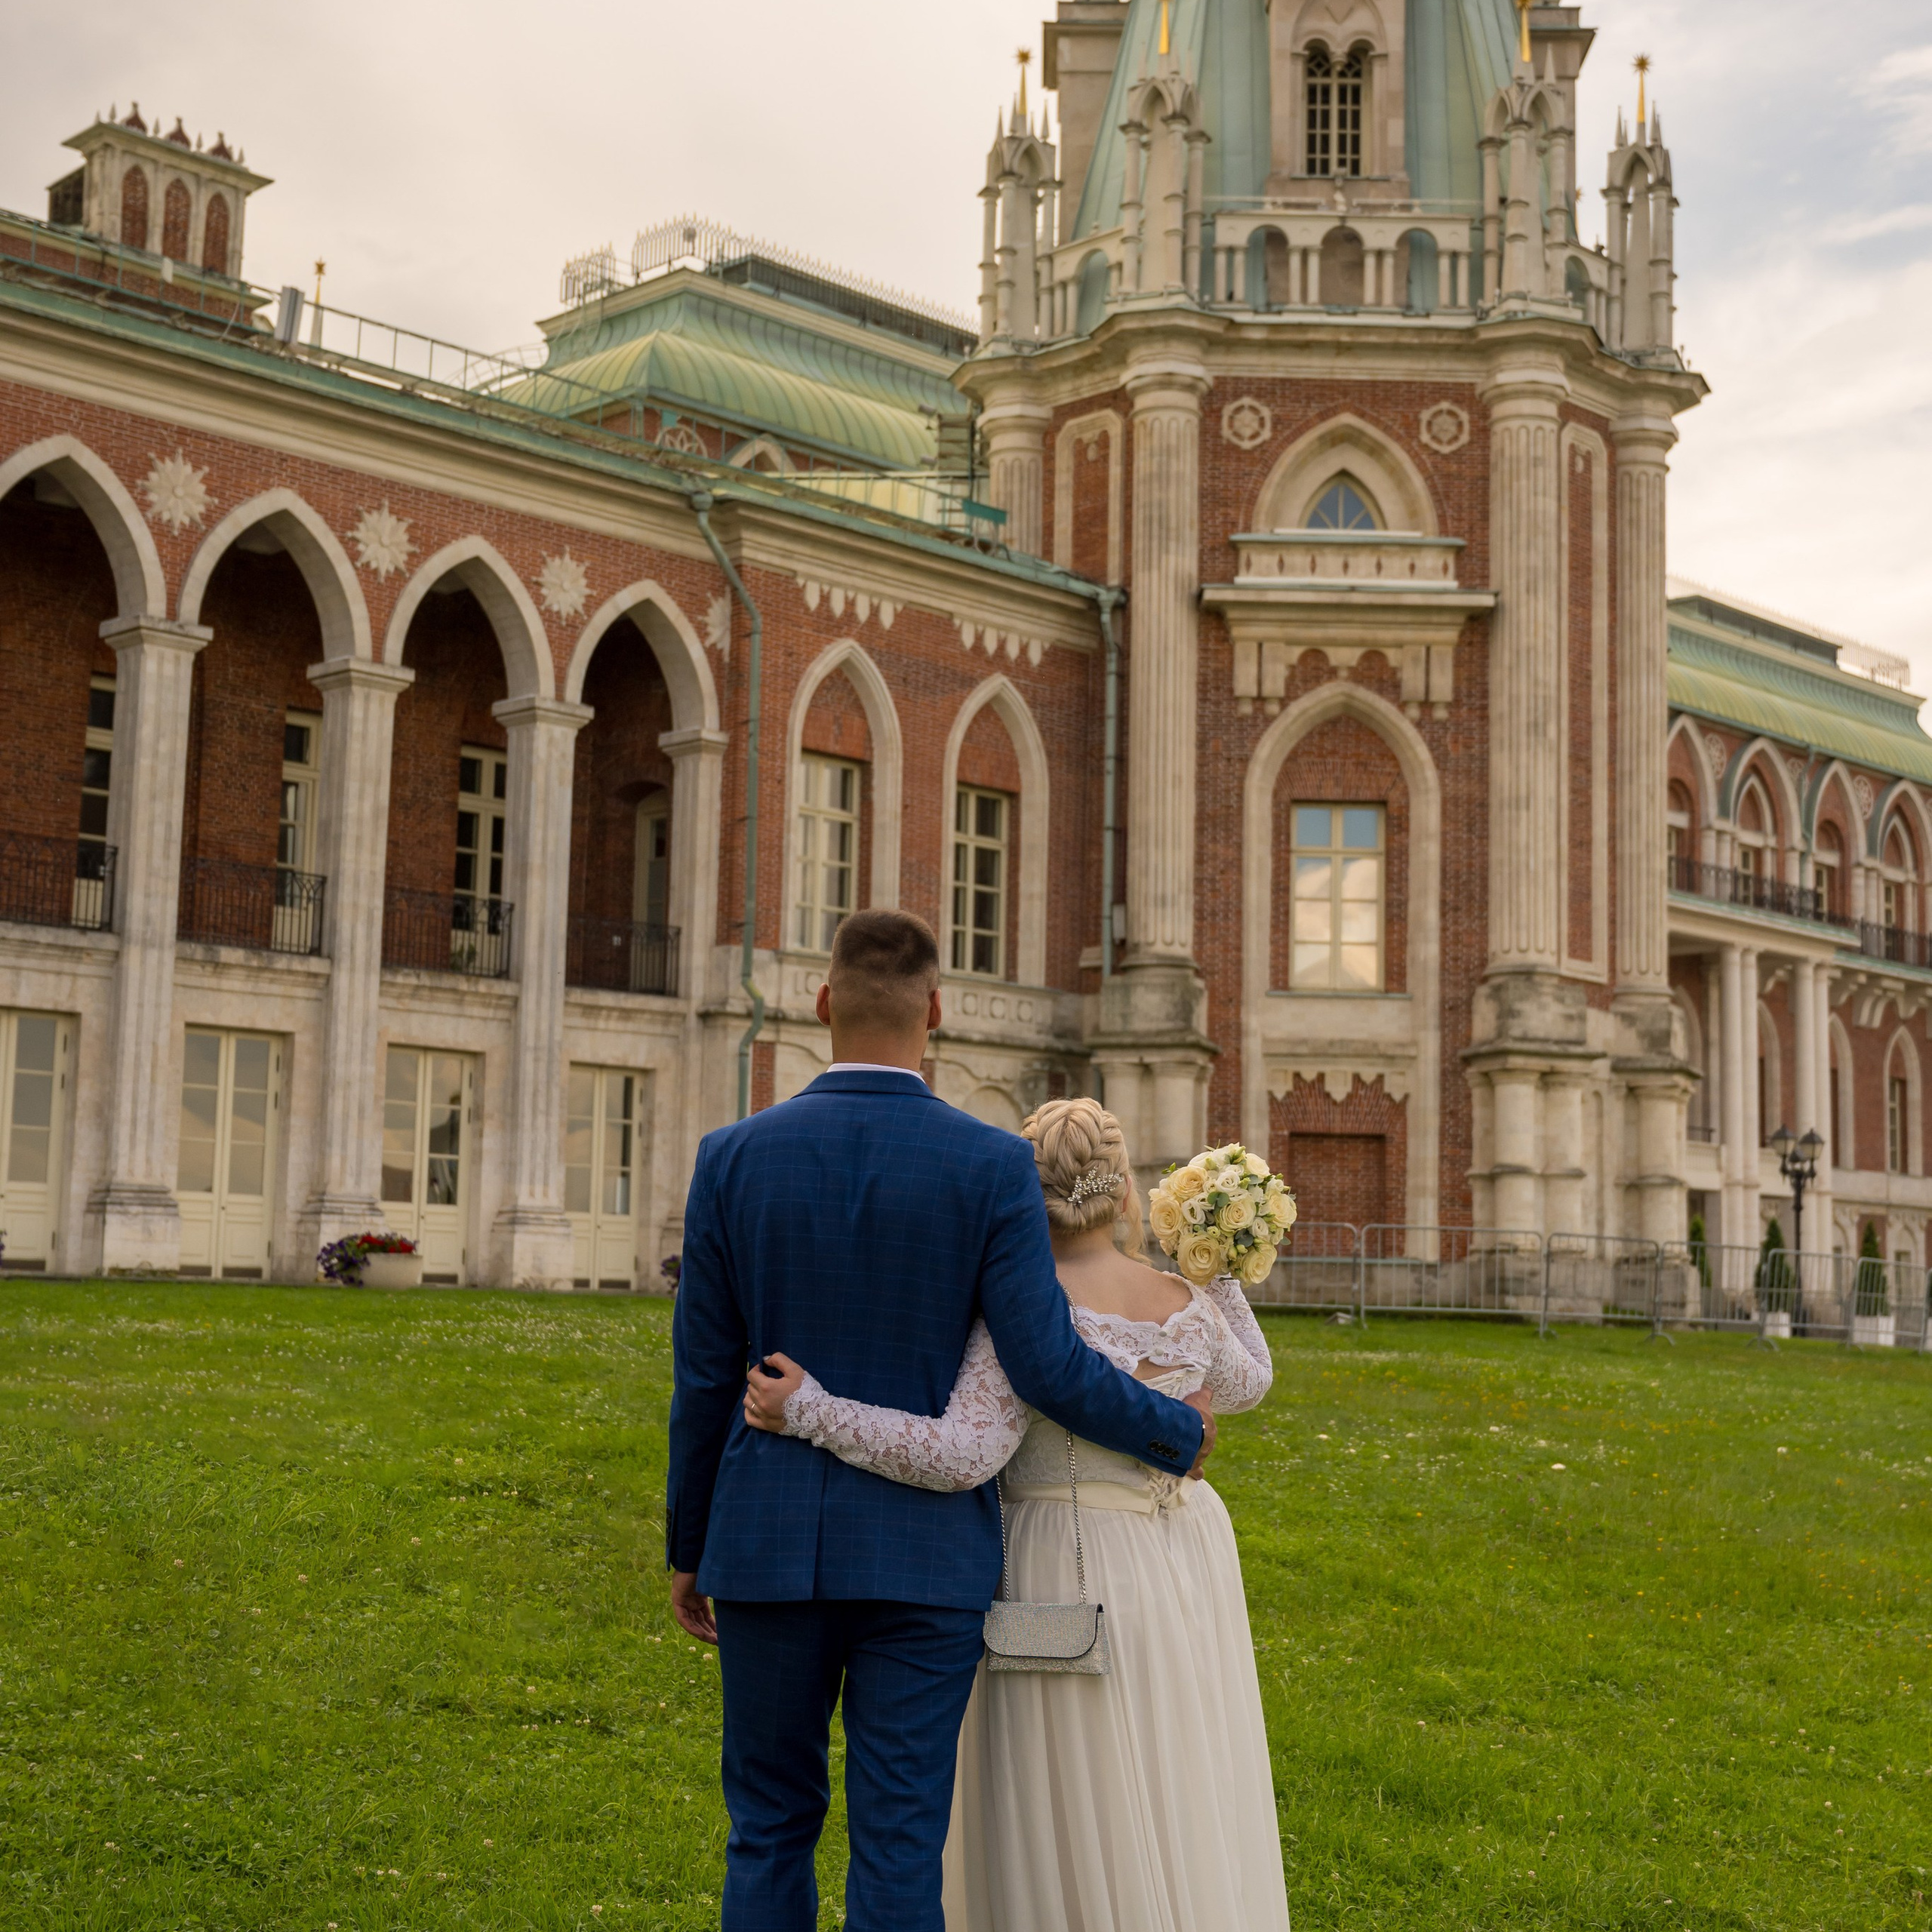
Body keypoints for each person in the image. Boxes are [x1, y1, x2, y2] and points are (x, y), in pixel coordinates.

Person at [666, 910, 1214, 1932]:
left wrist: (689, 1544)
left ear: (822, 1003)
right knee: (902, 1837)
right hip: (925, 1564)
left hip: (766, 1542)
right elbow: (1045, 1363)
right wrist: (1172, 1429)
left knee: (769, 1824)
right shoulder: (989, 1165)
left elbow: (703, 1378)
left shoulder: (731, 1158)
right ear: (939, 1013)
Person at [744, 1097, 1291, 1932]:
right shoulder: (1184, 1302)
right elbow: (1251, 1379)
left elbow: (964, 1453)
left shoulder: (1022, 1308)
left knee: (1068, 1785)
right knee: (1174, 1765)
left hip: (1054, 1562)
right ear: (1124, 1191)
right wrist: (1211, 1262)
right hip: (1181, 1561)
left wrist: (813, 1409)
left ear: (1019, 1190)